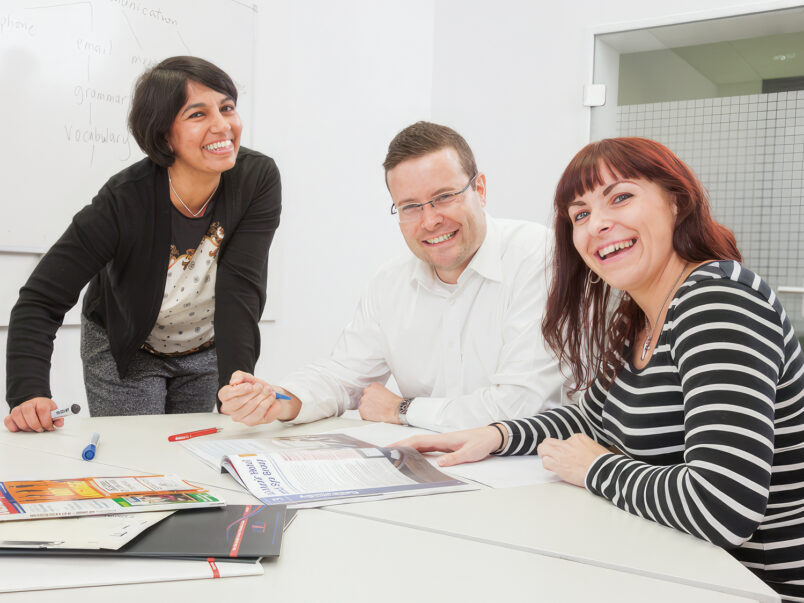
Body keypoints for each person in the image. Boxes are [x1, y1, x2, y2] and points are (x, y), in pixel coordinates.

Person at [397, 137, 804, 599]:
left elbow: (724, 504)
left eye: (621, 197)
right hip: (679, 569)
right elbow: (590, 417)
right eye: (581, 215)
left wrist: (597, 468)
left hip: (757, 585)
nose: (599, 224)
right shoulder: (639, 317)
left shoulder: (719, 300)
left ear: (676, 201)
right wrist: (494, 435)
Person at [218, 121, 565, 432]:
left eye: (444, 197)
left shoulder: (539, 259)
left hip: (528, 471)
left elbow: (522, 405)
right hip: (431, 469)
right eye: (411, 206)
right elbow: (343, 375)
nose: (429, 221)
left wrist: (402, 409)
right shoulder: (391, 282)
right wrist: (280, 398)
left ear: (481, 189)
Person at [5, 56, 281, 432]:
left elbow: (241, 289)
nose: (223, 125)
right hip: (126, 345)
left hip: (204, 344)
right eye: (198, 115)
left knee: (190, 457)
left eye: (227, 107)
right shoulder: (124, 200)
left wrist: (237, 383)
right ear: (163, 133)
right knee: (136, 457)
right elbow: (42, 297)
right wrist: (28, 394)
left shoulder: (256, 179)